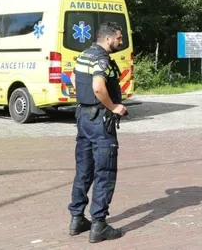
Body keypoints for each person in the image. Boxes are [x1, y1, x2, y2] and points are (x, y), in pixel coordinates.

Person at [67, 21, 128, 242]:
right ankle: (99, 225)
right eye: (119, 38)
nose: (121, 42)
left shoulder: (84, 55)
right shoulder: (101, 59)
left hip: (83, 117)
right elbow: (98, 87)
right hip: (101, 121)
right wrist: (114, 107)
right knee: (105, 171)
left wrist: (86, 101)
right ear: (108, 38)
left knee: (84, 170)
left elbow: (73, 78)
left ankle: (76, 218)